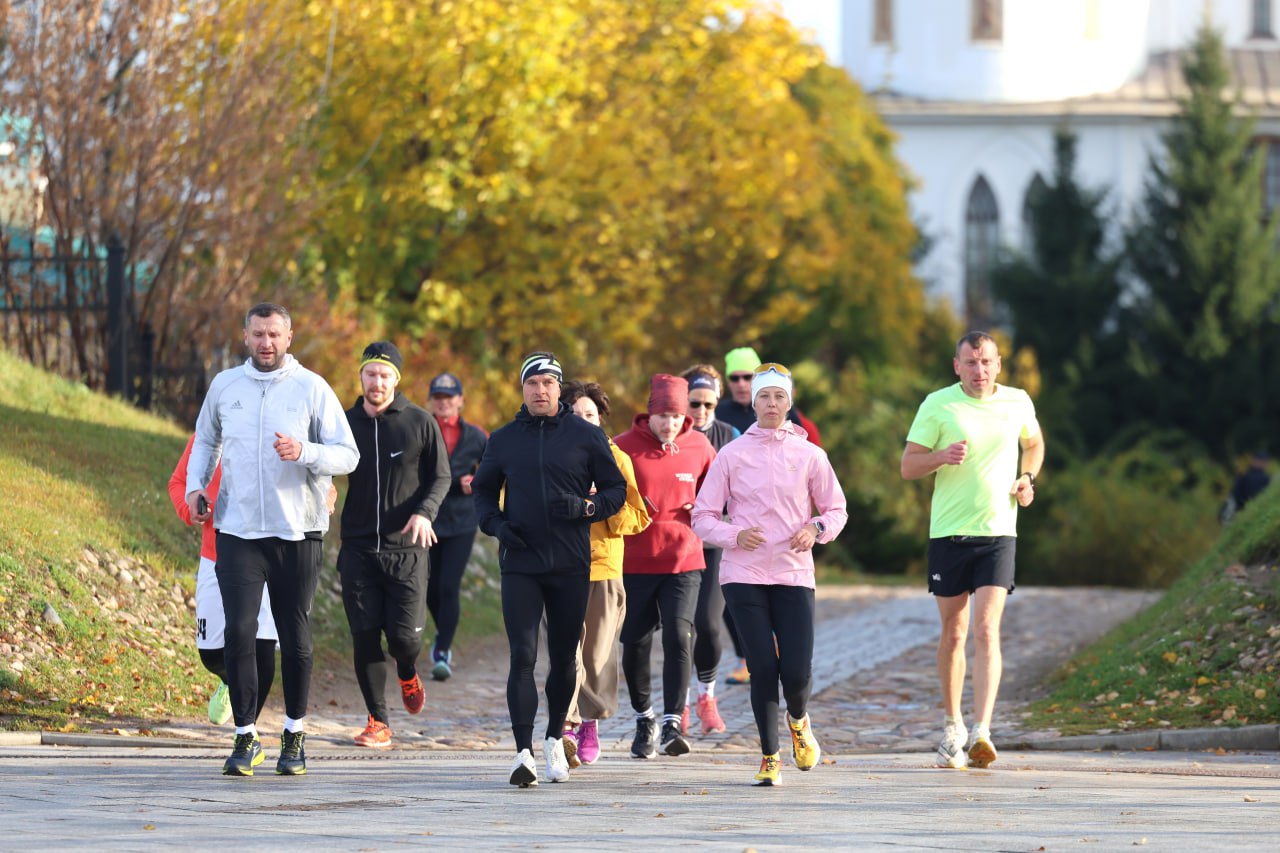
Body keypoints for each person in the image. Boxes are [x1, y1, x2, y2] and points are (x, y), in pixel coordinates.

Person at [186, 302, 359, 777]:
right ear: (245, 336)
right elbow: (205, 441)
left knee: (294, 634)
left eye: (275, 335)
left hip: (296, 531)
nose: (266, 343)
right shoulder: (225, 386)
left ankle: (295, 732)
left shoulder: (311, 388)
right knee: (239, 630)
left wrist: (305, 452)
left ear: (289, 337)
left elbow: (348, 455)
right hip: (238, 530)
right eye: (258, 334)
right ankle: (245, 737)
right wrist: (196, 487)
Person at [472, 351, 628, 787]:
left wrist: (587, 506)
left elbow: (617, 491)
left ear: (560, 389)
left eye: (548, 383)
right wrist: (498, 526)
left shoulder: (584, 435)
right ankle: (522, 753)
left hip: (570, 564)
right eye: (532, 383)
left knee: (563, 659)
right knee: (522, 656)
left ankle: (555, 739)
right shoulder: (503, 439)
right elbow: (483, 493)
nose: (541, 390)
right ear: (522, 389)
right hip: (520, 562)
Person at [692, 362, 848, 786]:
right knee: (762, 667)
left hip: (794, 573)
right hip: (743, 574)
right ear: (754, 402)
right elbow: (702, 516)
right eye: (764, 396)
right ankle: (769, 756)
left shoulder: (810, 454)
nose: (772, 404)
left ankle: (798, 720)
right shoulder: (732, 454)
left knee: (796, 672)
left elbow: (836, 510)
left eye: (779, 396)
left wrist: (814, 528)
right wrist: (734, 534)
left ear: (789, 401)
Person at [900, 331, 1044, 771]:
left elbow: (1033, 443)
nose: (979, 371)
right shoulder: (937, 404)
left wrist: (1027, 479)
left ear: (999, 365)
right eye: (970, 363)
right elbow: (908, 466)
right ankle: (952, 727)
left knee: (986, 629)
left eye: (986, 362)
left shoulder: (1018, 401)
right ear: (956, 365)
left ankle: (982, 730)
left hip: (999, 532)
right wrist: (941, 456)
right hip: (948, 533)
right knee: (955, 633)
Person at [339, 343, 451, 749]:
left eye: (385, 375)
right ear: (362, 377)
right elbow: (321, 466)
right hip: (357, 549)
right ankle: (378, 721)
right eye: (371, 374)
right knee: (365, 636)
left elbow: (441, 478)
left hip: (407, 549)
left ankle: (407, 669)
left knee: (405, 640)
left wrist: (424, 513)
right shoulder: (343, 422)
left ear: (396, 380)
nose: (377, 382)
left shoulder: (420, 422)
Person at [615, 374, 716, 759]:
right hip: (635, 562)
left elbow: (720, 490)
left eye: (676, 416)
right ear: (649, 412)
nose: (669, 425)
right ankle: (645, 718)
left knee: (678, 635)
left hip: (684, 560)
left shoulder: (699, 446)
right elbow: (608, 491)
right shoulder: (623, 447)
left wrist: (705, 507)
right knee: (635, 644)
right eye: (662, 416)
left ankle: (674, 721)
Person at [558, 380, 651, 767]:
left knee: (596, 655)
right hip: (560, 566)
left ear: (600, 420)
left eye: (590, 415)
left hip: (604, 568)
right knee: (566, 652)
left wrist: (603, 503)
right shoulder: (552, 455)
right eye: (576, 414)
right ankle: (565, 724)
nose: (583, 421)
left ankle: (590, 722)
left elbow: (639, 516)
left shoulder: (617, 458)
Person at [168, 436, 278, 728]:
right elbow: (179, 483)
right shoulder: (208, 436)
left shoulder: (275, 428)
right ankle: (232, 682)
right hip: (216, 553)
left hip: (267, 554)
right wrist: (189, 507)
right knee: (210, 653)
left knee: (261, 649)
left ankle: (245, 736)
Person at [678, 364, 741, 735]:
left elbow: (742, 487)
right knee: (679, 628)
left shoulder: (728, 434)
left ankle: (707, 696)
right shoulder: (672, 431)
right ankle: (679, 703)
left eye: (707, 404)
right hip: (679, 543)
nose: (700, 412)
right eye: (694, 403)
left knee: (708, 624)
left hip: (715, 542)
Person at [424, 371, 489, 680]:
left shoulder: (477, 436)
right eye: (438, 398)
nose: (443, 403)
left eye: (449, 398)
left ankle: (442, 650)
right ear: (431, 401)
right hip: (426, 518)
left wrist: (477, 481)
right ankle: (442, 633)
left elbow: (494, 473)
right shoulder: (420, 428)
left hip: (462, 519)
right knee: (428, 588)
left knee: (448, 586)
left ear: (460, 401)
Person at [715, 346, 823, 447]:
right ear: (728, 382)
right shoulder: (718, 412)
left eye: (747, 377)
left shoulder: (785, 411)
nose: (741, 384)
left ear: (758, 380)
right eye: (735, 378)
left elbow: (806, 454)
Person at [1221, 451, 1271, 523]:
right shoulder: (1266, 479)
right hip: (1255, 514)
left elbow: (1233, 496)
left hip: (1238, 514)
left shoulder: (1243, 475)